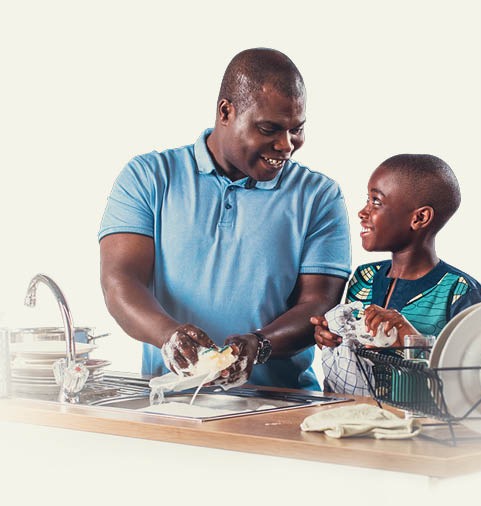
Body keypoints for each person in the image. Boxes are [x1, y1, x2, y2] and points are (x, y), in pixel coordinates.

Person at [98, 48, 351, 391]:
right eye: (269, 129)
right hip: (172, 402)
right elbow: (120, 281)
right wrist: (168, 336)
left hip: (282, 402)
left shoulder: (319, 195)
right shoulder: (149, 177)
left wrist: (259, 345)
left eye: (297, 129)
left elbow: (319, 304)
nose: (286, 145)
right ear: (226, 112)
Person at [310, 154, 481, 396]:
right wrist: (331, 337)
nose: (362, 212)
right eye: (367, 200)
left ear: (419, 218)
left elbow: (480, 381)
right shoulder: (364, 278)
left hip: (424, 420)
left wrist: (410, 337)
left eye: (376, 201)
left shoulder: (461, 292)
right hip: (355, 415)